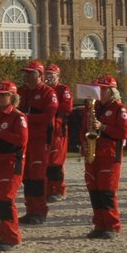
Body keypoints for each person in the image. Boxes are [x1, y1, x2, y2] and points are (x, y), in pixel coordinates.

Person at [81, 76, 127, 239]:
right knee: (94, 192)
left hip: (110, 155)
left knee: (107, 192)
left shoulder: (119, 108)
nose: (100, 92)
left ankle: (112, 225)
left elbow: (123, 133)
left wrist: (102, 127)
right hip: (95, 153)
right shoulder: (95, 108)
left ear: (111, 91)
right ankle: (99, 224)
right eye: (99, 89)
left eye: (103, 89)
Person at [0, 82, 29, 251]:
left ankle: (12, 237)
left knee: (5, 199)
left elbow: (22, 140)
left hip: (11, 162)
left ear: (12, 96)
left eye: (4, 95)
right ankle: (4, 235)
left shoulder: (18, 116)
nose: (0, 97)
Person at [17, 62, 56, 225]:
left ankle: (40, 211)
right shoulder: (22, 91)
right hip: (25, 140)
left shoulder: (48, 92)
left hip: (40, 141)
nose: (26, 76)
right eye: (25, 73)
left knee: (38, 176)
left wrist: (26, 118)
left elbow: (48, 116)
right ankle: (30, 209)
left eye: (30, 73)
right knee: (26, 176)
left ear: (39, 75)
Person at [44, 64, 75, 200]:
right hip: (44, 129)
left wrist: (51, 107)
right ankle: (48, 189)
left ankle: (59, 190)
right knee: (45, 161)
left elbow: (67, 107)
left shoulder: (63, 89)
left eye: (51, 74)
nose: (48, 77)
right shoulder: (43, 90)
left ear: (57, 76)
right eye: (47, 74)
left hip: (58, 130)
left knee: (56, 162)